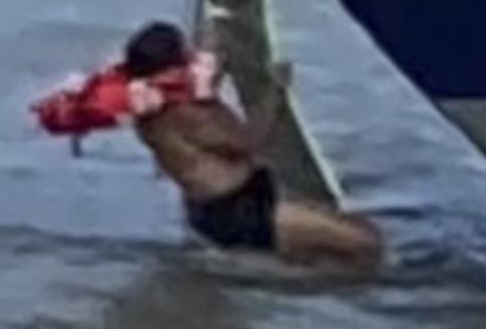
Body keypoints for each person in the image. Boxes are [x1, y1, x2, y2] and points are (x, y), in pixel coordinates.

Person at [33, 20, 383, 272]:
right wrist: (277, 94)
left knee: (331, 254)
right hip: (240, 213)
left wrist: (220, 42)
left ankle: (313, 298)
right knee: (367, 244)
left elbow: (203, 85)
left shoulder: (154, 103)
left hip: (224, 207)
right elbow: (247, 141)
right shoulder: (182, 111)